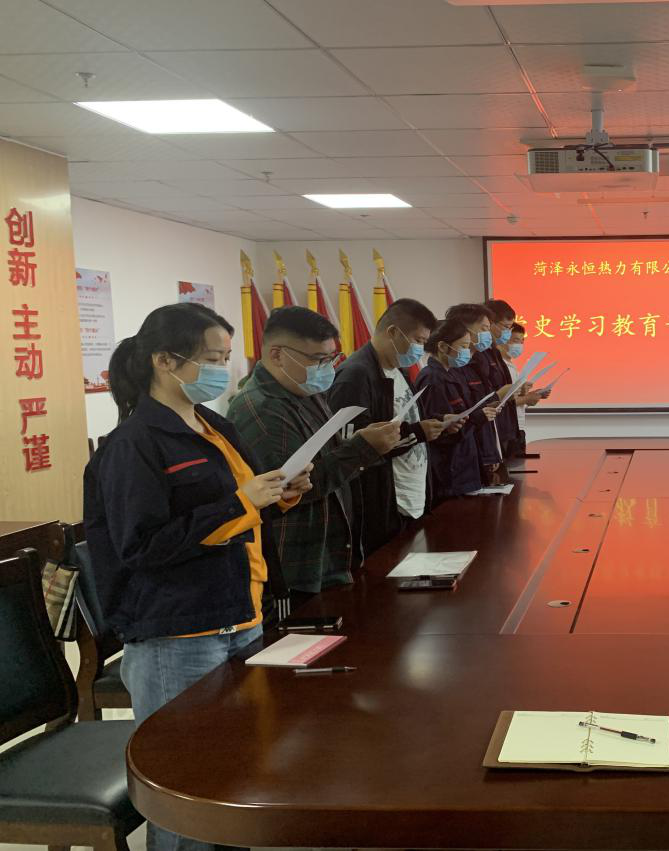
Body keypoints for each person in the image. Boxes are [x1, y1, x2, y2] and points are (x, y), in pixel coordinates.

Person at [83, 303, 311, 851]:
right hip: (178, 633)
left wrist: (280, 494)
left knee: (234, 771)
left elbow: (240, 507)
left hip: (240, 613)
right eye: (211, 358)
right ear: (164, 360)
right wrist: (241, 502)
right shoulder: (135, 443)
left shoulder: (213, 425)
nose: (221, 370)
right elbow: (143, 546)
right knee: (185, 787)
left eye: (226, 358)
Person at [228, 307, 402, 600]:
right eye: (318, 360)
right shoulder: (262, 409)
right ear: (277, 355)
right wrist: (363, 449)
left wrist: (356, 443)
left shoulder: (303, 390)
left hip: (329, 561)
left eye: (332, 358)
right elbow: (291, 491)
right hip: (297, 570)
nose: (328, 368)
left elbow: (322, 458)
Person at [328, 298, 445, 558]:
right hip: (383, 505)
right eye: (417, 340)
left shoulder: (397, 369)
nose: (420, 349)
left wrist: (433, 424)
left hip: (411, 497)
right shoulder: (356, 375)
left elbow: (404, 419)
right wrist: (418, 433)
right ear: (393, 332)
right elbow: (353, 447)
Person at [415, 318, 496, 504]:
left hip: (465, 467)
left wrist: (481, 414)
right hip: (449, 473)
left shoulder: (452, 373)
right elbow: (438, 432)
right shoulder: (431, 379)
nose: (467, 352)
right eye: (464, 347)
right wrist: (476, 418)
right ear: (443, 347)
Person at [445, 303, 506, 485]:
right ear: (465, 330)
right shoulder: (452, 368)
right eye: (484, 329)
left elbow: (481, 408)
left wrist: (492, 453)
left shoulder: (478, 362)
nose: (489, 335)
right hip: (464, 463)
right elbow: (460, 419)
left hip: (484, 454)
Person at [498, 321, 543, 457]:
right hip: (506, 428)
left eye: (522, 341)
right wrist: (527, 398)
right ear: (504, 339)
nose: (519, 345)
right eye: (516, 340)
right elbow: (501, 402)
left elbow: (515, 397)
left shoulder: (512, 366)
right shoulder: (499, 367)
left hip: (518, 427)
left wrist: (528, 395)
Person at [485, 298, 523, 458]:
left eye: (510, 327)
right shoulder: (480, 355)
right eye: (506, 327)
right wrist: (503, 394)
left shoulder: (494, 352)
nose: (508, 332)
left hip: (506, 428)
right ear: (490, 323)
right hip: (491, 428)